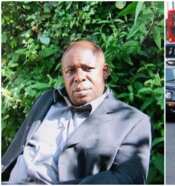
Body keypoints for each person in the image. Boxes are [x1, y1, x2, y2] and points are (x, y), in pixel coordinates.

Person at [1, 40, 152, 184]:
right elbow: (15, 151)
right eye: (70, 71)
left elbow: (127, 179)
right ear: (63, 75)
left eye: (87, 69)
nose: (79, 77)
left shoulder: (131, 121)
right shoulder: (47, 100)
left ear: (104, 72)